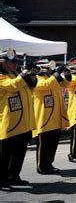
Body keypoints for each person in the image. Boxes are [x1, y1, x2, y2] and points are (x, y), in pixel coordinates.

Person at [0, 48, 36, 189]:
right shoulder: (2, 76)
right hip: (9, 123)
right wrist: (25, 73)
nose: (15, 64)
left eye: (16, 62)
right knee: (5, 155)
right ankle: (2, 181)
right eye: (12, 62)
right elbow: (13, 86)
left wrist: (32, 77)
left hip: (23, 122)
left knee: (19, 153)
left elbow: (29, 89)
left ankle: (14, 176)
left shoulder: (15, 74)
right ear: (3, 62)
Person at [33, 60, 70, 174]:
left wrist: (67, 73)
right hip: (44, 118)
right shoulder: (37, 78)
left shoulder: (52, 77)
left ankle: (49, 164)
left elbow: (66, 84)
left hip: (55, 117)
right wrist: (56, 74)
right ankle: (41, 166)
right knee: (43, 145)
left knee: (52, 144)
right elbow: (45, 85)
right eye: (47, 66)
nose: (50, 68)